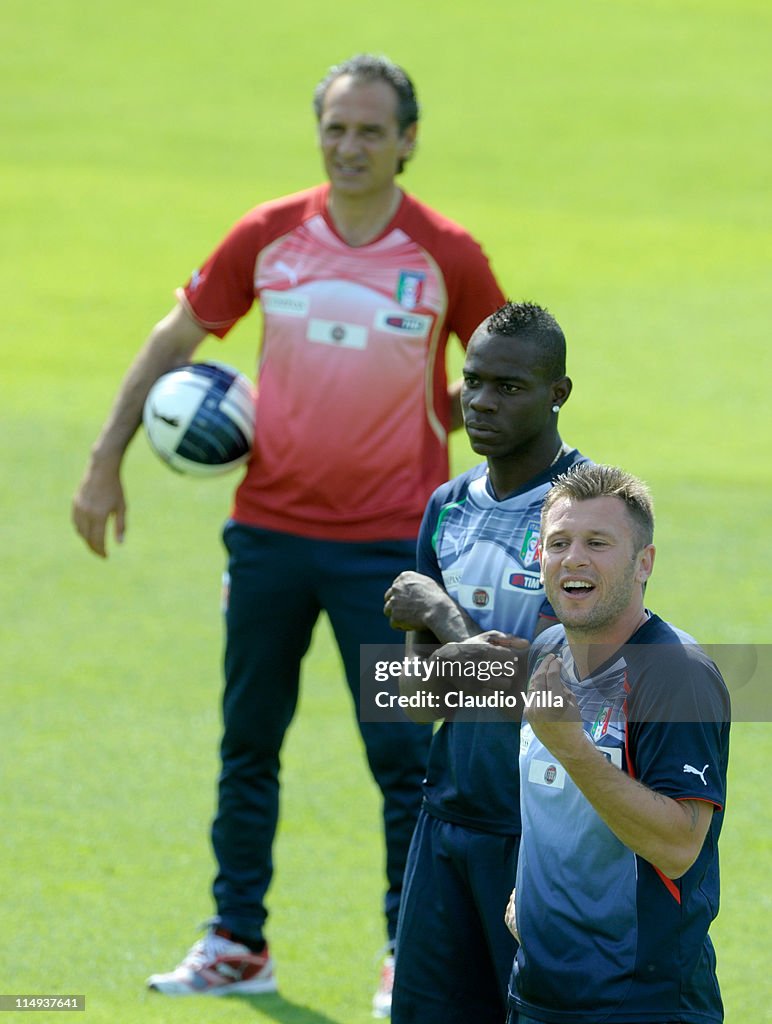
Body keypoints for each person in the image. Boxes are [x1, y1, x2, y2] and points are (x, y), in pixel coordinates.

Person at [71, 53, 505, 1009]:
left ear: (407, 141)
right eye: (336, 128)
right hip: (266, 540)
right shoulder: (269, 236)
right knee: (248, 741)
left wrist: (458, 436)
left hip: (394, 555)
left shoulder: (447, 253)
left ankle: (410, 948)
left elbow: (504, 371)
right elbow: (172, 340)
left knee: (403, 760)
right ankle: (237, 941)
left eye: (370, 131)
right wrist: (107, 459)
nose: (350, 146)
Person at [383, 301, 588, 1024]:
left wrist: (440, 614)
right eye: (472, 382)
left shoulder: (585, 516)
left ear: (558, 393)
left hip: (543, 830)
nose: (480, 402)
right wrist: (447, 647)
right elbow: (419, 696)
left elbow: (545, 684)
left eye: (508, 386)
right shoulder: (447, 507)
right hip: (448, 815)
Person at [503, 463, 730, 1023]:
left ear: (643, 563)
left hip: (640, 1002)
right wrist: (526, 894)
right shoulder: (548, 648)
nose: (573, 558)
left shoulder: (676, 675)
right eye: (559, 542)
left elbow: (679, 849)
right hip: (537, 993)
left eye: (597, 543)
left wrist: (574, 748)